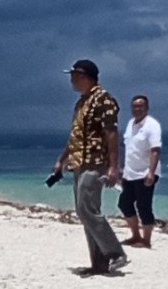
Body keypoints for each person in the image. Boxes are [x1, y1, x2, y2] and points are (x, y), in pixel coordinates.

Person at [46, 59, 124, 273]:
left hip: (96, 162)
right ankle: (99, 263)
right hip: (79, 161)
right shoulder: (82, 102)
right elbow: (76, 136)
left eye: (73, 76)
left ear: (83, 76)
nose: (71, 80)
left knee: (86, 208)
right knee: (86, 210)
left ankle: (115, 252)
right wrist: (61, 160)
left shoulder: (104, 100)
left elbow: (111, 134)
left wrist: (113, 167)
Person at [117, 95, 164, 248]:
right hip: (130, 172)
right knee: (124, 203)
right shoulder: (131, 124)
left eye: (140, 106)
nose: (137, 109)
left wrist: (151, 172)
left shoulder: (152, 125)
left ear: (146, 108)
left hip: (145, 172)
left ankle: (146, 240)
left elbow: (155, 150)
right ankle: (135, 235)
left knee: (144, 205)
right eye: (135, 106)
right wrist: (120, 168)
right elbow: (129, 149)